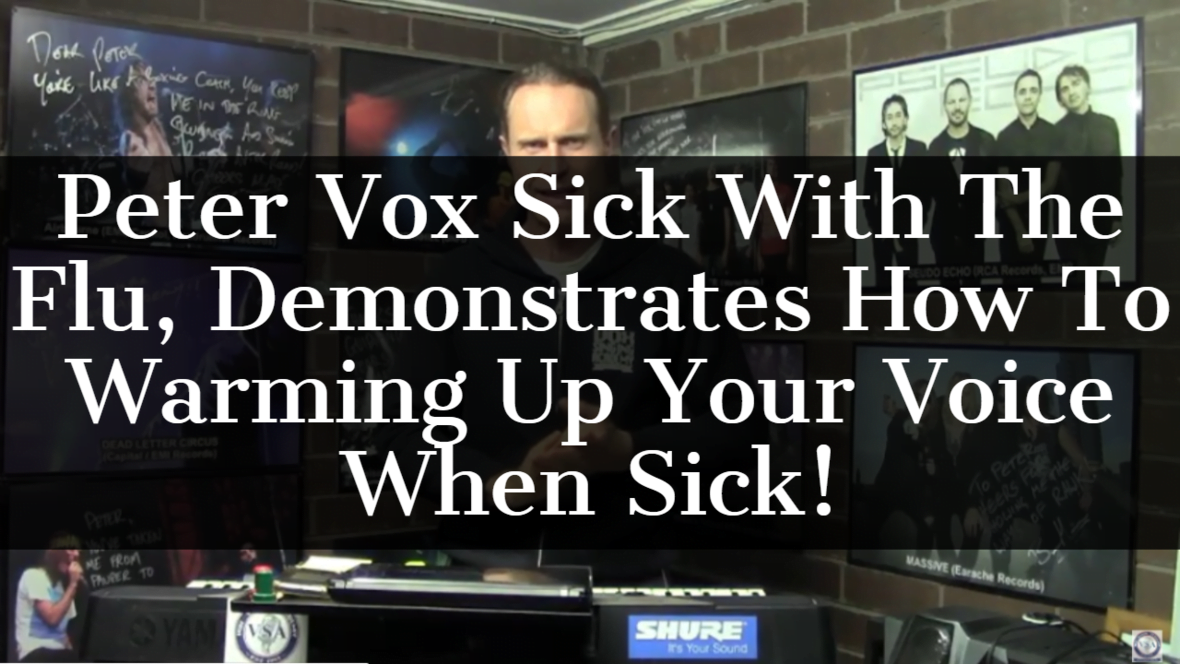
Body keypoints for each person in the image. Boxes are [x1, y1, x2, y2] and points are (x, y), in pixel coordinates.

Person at [382, 61, 763, 580]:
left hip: (630, 576)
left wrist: (629, 451)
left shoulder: (673, 281)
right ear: (506, 151)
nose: (554, 165)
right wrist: (503, 487)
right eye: (534, 145)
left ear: (608, 144)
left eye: (573, 142)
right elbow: (402, 441)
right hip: (484, 576)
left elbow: (741, 437)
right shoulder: (453, 282)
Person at [1053, 64, 1123, 269]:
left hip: (1100, 218)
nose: (1071, 91)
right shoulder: (1055, 132)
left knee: (1093, 279)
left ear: (1088, 87)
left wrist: (1117, 218)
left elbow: (1116, 174)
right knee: (1076, 280)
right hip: (1068, 223)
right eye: (1064, 89)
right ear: (1060, 99)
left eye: (1075, 83)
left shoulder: (1107, 125)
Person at [995, 69, 1063, 277]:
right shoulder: (1004, 136)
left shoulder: (1052, 133)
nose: (1027, 96)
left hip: (1039, 221)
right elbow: (1003, 189)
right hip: (1010, 223)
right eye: (1022, 91)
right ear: (1015, 96)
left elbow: (1050, 184)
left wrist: (1017, 198)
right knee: (1010, 285)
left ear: (1040, 94)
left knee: (1034, 284)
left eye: (1033, 90)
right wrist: (1020, 232)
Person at [927, 79, 995, 287]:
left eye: (961, 100)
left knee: (973, 300)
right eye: (951, 101)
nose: (957, 106)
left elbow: (997, 189)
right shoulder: (934, 147)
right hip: (943, 240)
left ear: (970, 101)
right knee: (948, 300)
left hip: (976, 239)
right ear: (945, 106)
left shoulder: (986, 141)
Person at [862, 94, 929, 287]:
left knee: (910, 287)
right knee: (883, 286)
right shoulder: (874, 153)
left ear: (906, 119)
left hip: (910, 234)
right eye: (889, 117)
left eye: (898, 115)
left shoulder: (919, 149)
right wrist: (878, 229)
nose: (894, 122)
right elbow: (867, 197)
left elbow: (925, 193)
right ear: (883, 123)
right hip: (882, 237)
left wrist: (917, 225)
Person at [13, 536, 83, 662]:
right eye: (72, 549)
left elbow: (64, 634)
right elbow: (52, 618)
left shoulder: (64, 589)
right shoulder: (33, 576)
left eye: (78, 550)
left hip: (60, 653)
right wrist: (73, 584)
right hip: (35, 652)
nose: (76, 554)